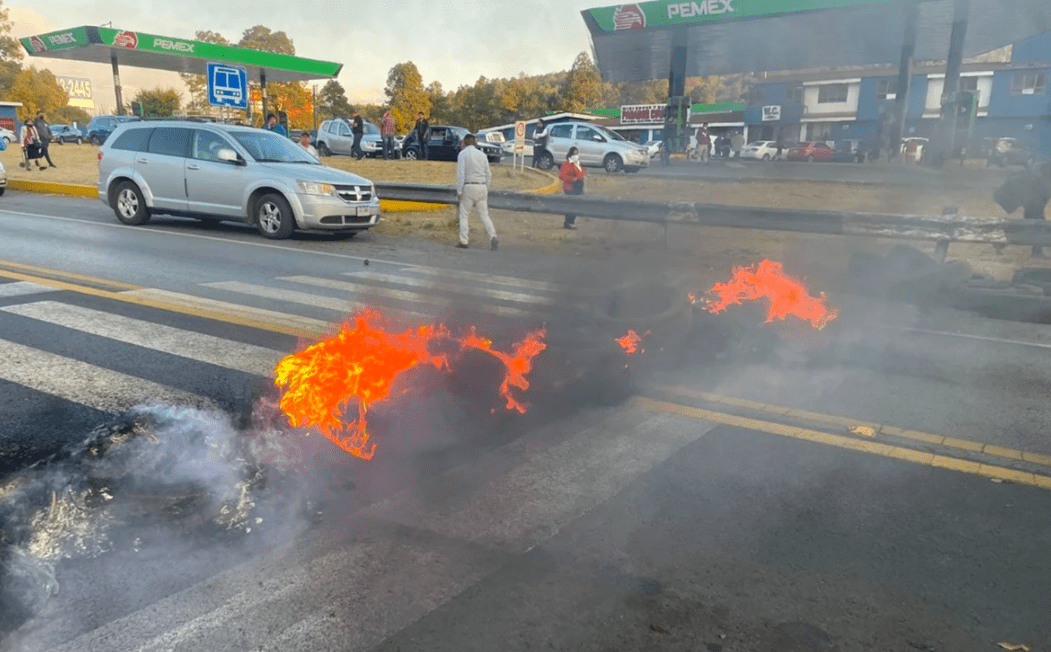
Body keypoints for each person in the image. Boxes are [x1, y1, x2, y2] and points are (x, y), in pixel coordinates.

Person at [994, 161, 1051, 258]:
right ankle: (1037, 253)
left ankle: (1002, 242)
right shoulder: (1043, 171)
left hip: (1034, 196)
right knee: (1037, 225)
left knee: (1029, 225)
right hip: (1034, 197)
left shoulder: (1043, 167)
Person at [455, 133, 497, 250]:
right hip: (482, 186)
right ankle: (493, 236)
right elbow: (489, 174)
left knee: (464, 215)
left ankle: (464, 240)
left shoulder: (462, 154)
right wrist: (486, 187)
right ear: (474, 142)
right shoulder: (482, 155)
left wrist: (459, 191)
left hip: (469, 186)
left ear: (464, 142)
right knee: (484, 215)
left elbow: (461, 175)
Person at [558, 146, 586, 230]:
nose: (576, 155)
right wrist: (572, 179)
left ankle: (571, 222)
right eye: (574, 154)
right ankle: (568, 222)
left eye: (577, 154)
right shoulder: (566, 164)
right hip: (569, 187)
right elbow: (562, 175)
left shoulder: (577, 163)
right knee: (571, 205)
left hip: (578, 187)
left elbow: (581, 174)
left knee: (576, 205)